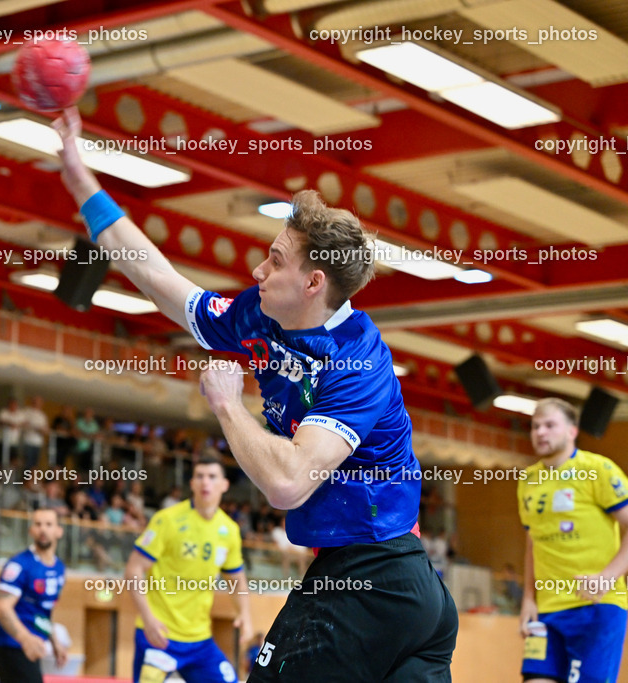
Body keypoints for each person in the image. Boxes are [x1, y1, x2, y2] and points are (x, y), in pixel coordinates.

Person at [54, 107, 457, 680]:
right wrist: (79, 178)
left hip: (377, 578)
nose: (257, 268)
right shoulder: (260, 313)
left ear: (314, 283)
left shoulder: (357, 362)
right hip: (383, 585)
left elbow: (289, 482)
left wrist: (226, 403)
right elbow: (163, 282)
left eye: (274, 259)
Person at [518, 398, 628, 683]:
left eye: (550, 425)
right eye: (535, 426)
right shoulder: (528, 480)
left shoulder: (598, 470)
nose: (540, 432)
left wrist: (607, 577)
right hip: (547, 611)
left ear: (572, 431)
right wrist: (529, 598)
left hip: (596, 608)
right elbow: (533, 541)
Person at [126, 455, 252, 682]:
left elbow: (236, 579)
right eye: (200, 476)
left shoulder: (229, 530)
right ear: (191, 483)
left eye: (212, 477)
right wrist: (148, 618)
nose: (206, 483)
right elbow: (134, 570)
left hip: (199, 641)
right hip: (158, 635)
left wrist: (245, 614)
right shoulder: (168, 520)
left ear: (224, 485)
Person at [0, 507, 67, 683]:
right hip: (11, 647)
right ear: (31, 530)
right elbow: (2, 607)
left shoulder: (59, 568)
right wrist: (25, 639)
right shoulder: (20, 565)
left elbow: (44, 611)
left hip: (33, 648)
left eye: (49, 524)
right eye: (38, 524)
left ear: (59, 531)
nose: (43, 529)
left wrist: (54, 641)